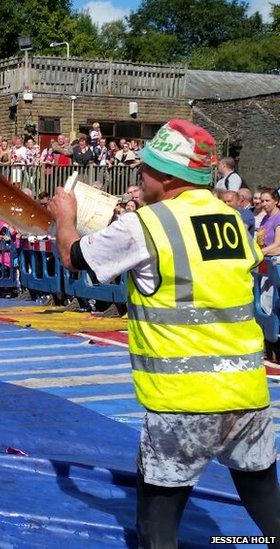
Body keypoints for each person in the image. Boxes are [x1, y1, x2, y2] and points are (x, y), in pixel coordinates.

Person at [47, 119, 280, 546]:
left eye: (145, 170)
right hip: (246, 389)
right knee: (265, 500)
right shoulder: (232, 220)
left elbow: (71, 255)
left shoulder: (147, 225)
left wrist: (66, 216)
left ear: (169, 177)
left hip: (182, 398)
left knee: (158, 523)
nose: (139, 177)